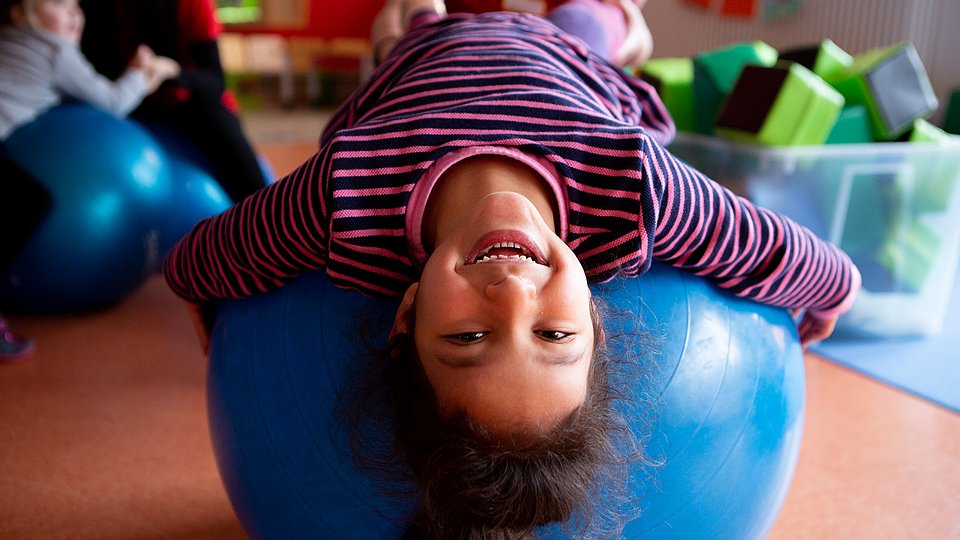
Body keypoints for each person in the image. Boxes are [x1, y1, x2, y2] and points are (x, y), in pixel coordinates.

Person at [163, 0, 861, 536]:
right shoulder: (632, 186)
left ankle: (409, 20)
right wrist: (835, 288)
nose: (511, 295)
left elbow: (208, 254)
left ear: (404, 315)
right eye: (554, 336)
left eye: (467, 339)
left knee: (400, 34)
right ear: (597, 314)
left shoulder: (346, 192)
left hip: (421, 59)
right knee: (590, 19)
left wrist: (204, 294)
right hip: (569, 62)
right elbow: (762, 244)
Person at [0, 0, 179, 362]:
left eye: (76, 6)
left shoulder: (8, 39)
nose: (75, 15)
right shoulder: (56, 52)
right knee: (29, 202)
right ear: (25, 12)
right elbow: (111, 103)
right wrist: (141, 74)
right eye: (60, 5)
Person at [79, 0, 269, 204]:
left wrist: (170, 71)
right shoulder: (94, 8)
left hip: (192, 104)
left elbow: (214, 81)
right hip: (123, 104)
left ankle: (268, 216)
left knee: (244, 172)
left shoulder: (193, 4)